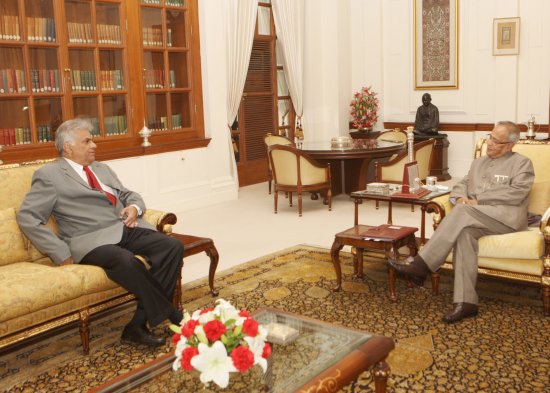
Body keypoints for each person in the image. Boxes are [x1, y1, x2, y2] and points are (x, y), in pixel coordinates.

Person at [17, 118, 184, 346]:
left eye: (92, 140)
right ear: (68, 147)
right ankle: (172, 314)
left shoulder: (101, 168)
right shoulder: (49, 175)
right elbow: (28, 217)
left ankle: (137, 324)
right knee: (126, 261)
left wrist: (134, 208)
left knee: (172, 246)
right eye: (87, 141)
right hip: (88, 240)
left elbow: (128, 194)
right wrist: (60, 252)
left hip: (122, 228)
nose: (94, 145)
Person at [390, 121, 534, 323]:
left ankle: (422, 264)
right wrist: (458, 198)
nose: (489, 143)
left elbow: (518, 192)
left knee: (463, 211)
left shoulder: (522, 163)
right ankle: (466, 302)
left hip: (505, 219)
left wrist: (478, 200)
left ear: (509, 145)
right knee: (465, 233)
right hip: (475, 216)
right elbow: (462, 184)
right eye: (489, 137)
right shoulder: (479, 162)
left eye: (496, 140)